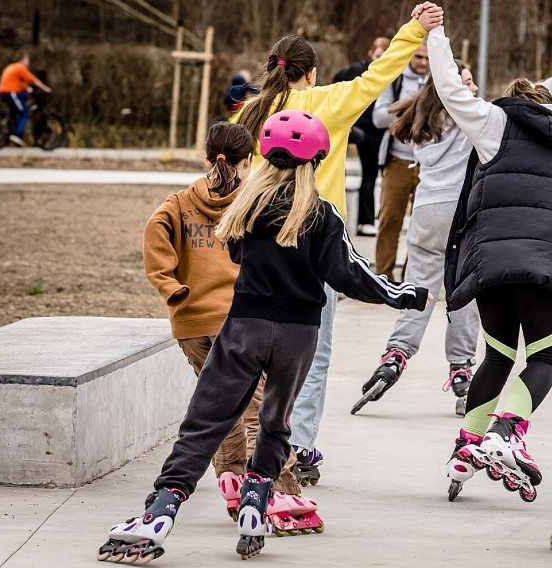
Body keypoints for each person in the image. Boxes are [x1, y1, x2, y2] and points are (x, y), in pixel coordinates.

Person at [97, 110, 429, 564]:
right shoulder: (322, 213)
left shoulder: (245, 207)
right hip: (298, 335)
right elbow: (351, 274)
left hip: (245, 327)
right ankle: (256, 503)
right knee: (274, 422)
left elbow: (233, 250)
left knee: (206, 422)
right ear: (315, 160)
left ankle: (160, 513)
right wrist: (406, 295)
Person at [234, 2, 444, 487]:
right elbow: (379, 73)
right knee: (313, 350)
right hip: (314, 238)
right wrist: (414, 29)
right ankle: (298, 442)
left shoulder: (251, 110)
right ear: (311, 74)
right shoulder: (327, 103)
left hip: (258, 240)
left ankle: (252, 442)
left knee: (252, 345)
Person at [427, 22, 552, 504]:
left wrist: (434, 37)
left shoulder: (494, 124)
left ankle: (467, 445)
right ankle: (507, 432)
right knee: (544, 356)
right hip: (547, 267)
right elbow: (541, 103)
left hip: (493, 266)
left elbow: (449, 87)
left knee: (498, 355)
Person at [142, 121, 317, 534]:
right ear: (250, 160)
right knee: (261, 409)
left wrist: (173, 289)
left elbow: (154, 239)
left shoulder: (178, 202)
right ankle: (280, 491)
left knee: (223, 408)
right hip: (241, 323)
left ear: (206, 158)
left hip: (190, 324)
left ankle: (233, 479)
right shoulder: (255, 204)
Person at [356, 60, 481, 417]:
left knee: (420, 291)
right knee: (462, 295)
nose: (473, 89)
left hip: (425, 215)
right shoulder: (469, 115)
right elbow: (524, 99)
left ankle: (394, 357)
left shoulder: (424, 114)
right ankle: (461, 372)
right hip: (459, 215)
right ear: (451, 87)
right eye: (468, 83)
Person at [371, 43, 431, 278]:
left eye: (427, 58)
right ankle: (383, 275)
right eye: (418, 56)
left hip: (428, 164)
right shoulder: (395, 80)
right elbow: (377, 118)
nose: (423, 62)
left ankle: (411, 276)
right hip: (398, 160)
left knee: (423, 226)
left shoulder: (438, 81)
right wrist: (408, 104)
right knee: (390, 220)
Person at [332, 37, 391, 236]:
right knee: (339, 170)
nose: (379, 59)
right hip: (356, 128)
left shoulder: (389, 76)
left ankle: (365, 221)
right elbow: (335, 85)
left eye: (383, 56)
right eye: (377, 55)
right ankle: (341, 217)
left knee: (370, 175)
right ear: (370, 53)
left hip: (373, 132)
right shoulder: (355, 72)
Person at [0, 51, 52, 146]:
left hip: (3, 92)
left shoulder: (11, 67)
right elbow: (33, 79)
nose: (28, 62)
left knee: (16, 110)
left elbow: (18, 81)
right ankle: (16, 135)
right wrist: (45, 88)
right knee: (24, 112)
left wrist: (27, 88)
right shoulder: (20, 67)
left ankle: (10, 129)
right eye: (27, 59)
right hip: (11, 92)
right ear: (23, 59)